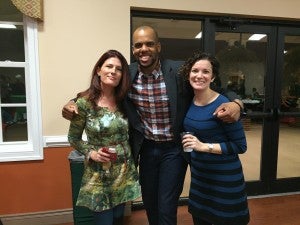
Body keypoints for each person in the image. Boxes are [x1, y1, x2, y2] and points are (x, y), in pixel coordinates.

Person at [63, 26, 243, 225]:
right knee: (150, 203)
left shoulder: (178, 71)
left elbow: (219, 88)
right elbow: (101, 89)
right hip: (147, 149)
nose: (144, 49)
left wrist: (237, 103)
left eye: (149, 44)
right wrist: (72, 103)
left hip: (173, 150)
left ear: (158, 46)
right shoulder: (128, 74)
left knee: (166, 206)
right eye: (138, 45)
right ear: (133, 49)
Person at [67, 49, 141, 225]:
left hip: (123, 171)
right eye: (109, 66)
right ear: (98, 70)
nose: (113, 71)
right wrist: (91, 153)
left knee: (117, 218)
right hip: (99, 172)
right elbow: (73, 138)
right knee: (104, 221)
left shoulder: (126, 101)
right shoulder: (84, 103)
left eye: (119, 68)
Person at [180, 51, 250, 225]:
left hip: (224, 180)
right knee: (201, 219)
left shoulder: (224, 105)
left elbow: (240, 146)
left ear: (213, 77)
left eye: (206, 72)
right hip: (200, 179)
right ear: (189, 73)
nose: (199, 76)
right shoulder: (189, 100)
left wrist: (203, 147)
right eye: (195, 71)